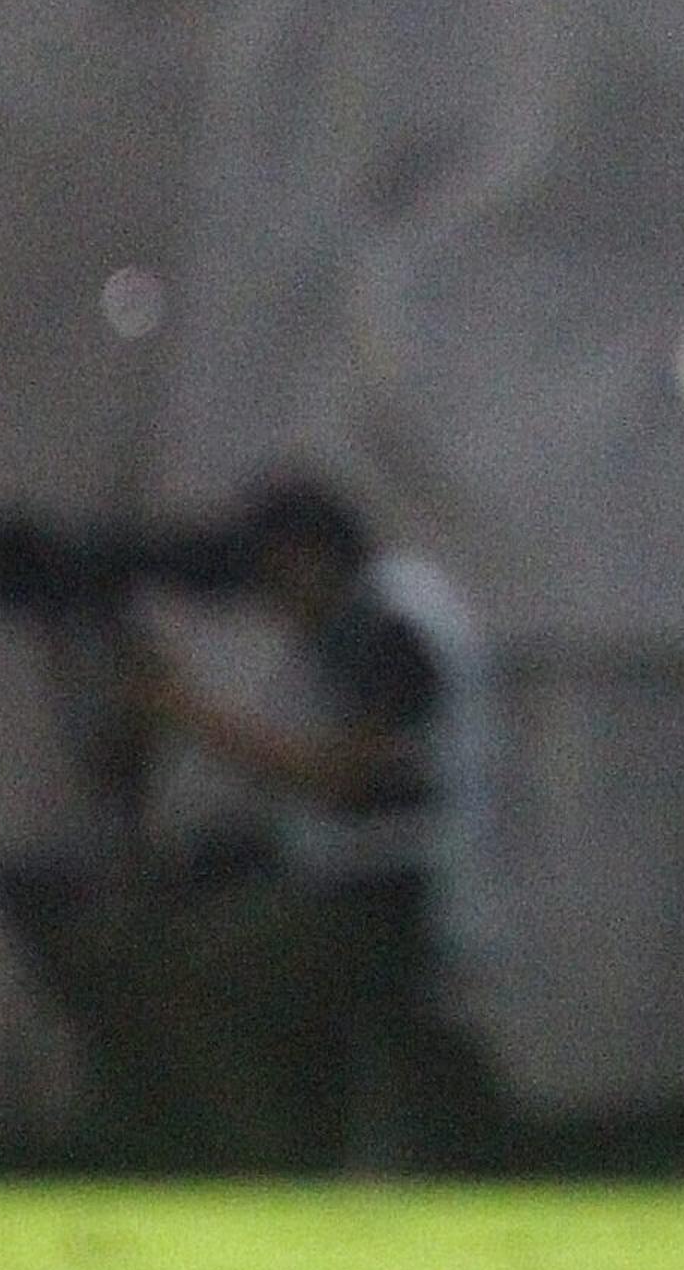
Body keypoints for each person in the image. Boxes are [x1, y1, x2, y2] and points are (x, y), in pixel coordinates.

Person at [123, 478, 494, 1172]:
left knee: (201, 978)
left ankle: (273, 1166)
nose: (271, 607)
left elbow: (338, 775)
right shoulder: (389, 613)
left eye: (273, 580)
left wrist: (186, 711)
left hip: (399, 893)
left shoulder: (393, 624)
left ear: (307, 558)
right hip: (384, 883)